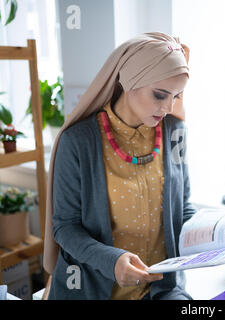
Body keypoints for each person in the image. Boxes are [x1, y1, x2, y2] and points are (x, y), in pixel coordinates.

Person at [43, 32, 197, 300]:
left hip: (161, 290)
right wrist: (111, 261)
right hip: (91, 290)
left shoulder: (175, 133)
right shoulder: (78, 142)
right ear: (130, 81)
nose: (168, 107)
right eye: (160, 95)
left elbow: (183, 208)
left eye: (177, 96)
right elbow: (65, 227)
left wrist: (224, 236)